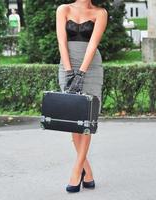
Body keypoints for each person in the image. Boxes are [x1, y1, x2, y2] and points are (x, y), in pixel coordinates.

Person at [56, 0, 108, 193]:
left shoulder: (100, 13)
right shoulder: (63, 9)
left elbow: (93, 43)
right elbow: (61, 40)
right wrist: (70, 72)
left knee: (86, 118)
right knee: (73, 118)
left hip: (91, 67)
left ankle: (76, 171)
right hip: (67, 64)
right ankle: (88, 171)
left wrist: (82, 73)